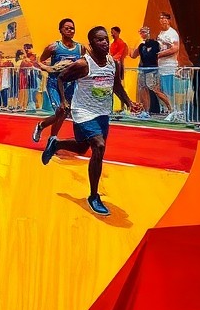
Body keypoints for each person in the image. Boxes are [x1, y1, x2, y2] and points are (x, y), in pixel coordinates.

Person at [41, 27, 142, 217]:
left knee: (82, 148)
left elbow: (116, 85)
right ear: (91, 44)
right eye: (99, 40)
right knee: (99, 146)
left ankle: (56, 145)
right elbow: (61, 78)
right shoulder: (83, 64)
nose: (105, 43)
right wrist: (63, 101)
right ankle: (94, 196)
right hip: (83, 111)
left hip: (102, 112)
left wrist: (129, 103)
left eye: (106, 40)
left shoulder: (113, 62)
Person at [32, 19, 84, 143]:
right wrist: (49, 68)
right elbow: (39, 61)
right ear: (60, 30)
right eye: (67, 28)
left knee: (64, 113)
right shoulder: (53, 47)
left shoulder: (80, 48)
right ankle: (41, 126)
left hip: (71, 85)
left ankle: (53, 138)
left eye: (72, 28)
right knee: (60, 111)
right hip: (55, 83)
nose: (70, 30)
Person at [131, 26, 171, 118]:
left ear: (148, 32)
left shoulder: (155, 44)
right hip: (143, 70)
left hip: (152, 70)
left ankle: (170, 108)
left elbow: (160, 52)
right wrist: (135, 45)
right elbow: (133, 55)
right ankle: (146, 111)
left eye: (144, 32)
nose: (143, 34)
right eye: (141, 32)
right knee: (144, 90)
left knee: (156, 90)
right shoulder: (141, 45)